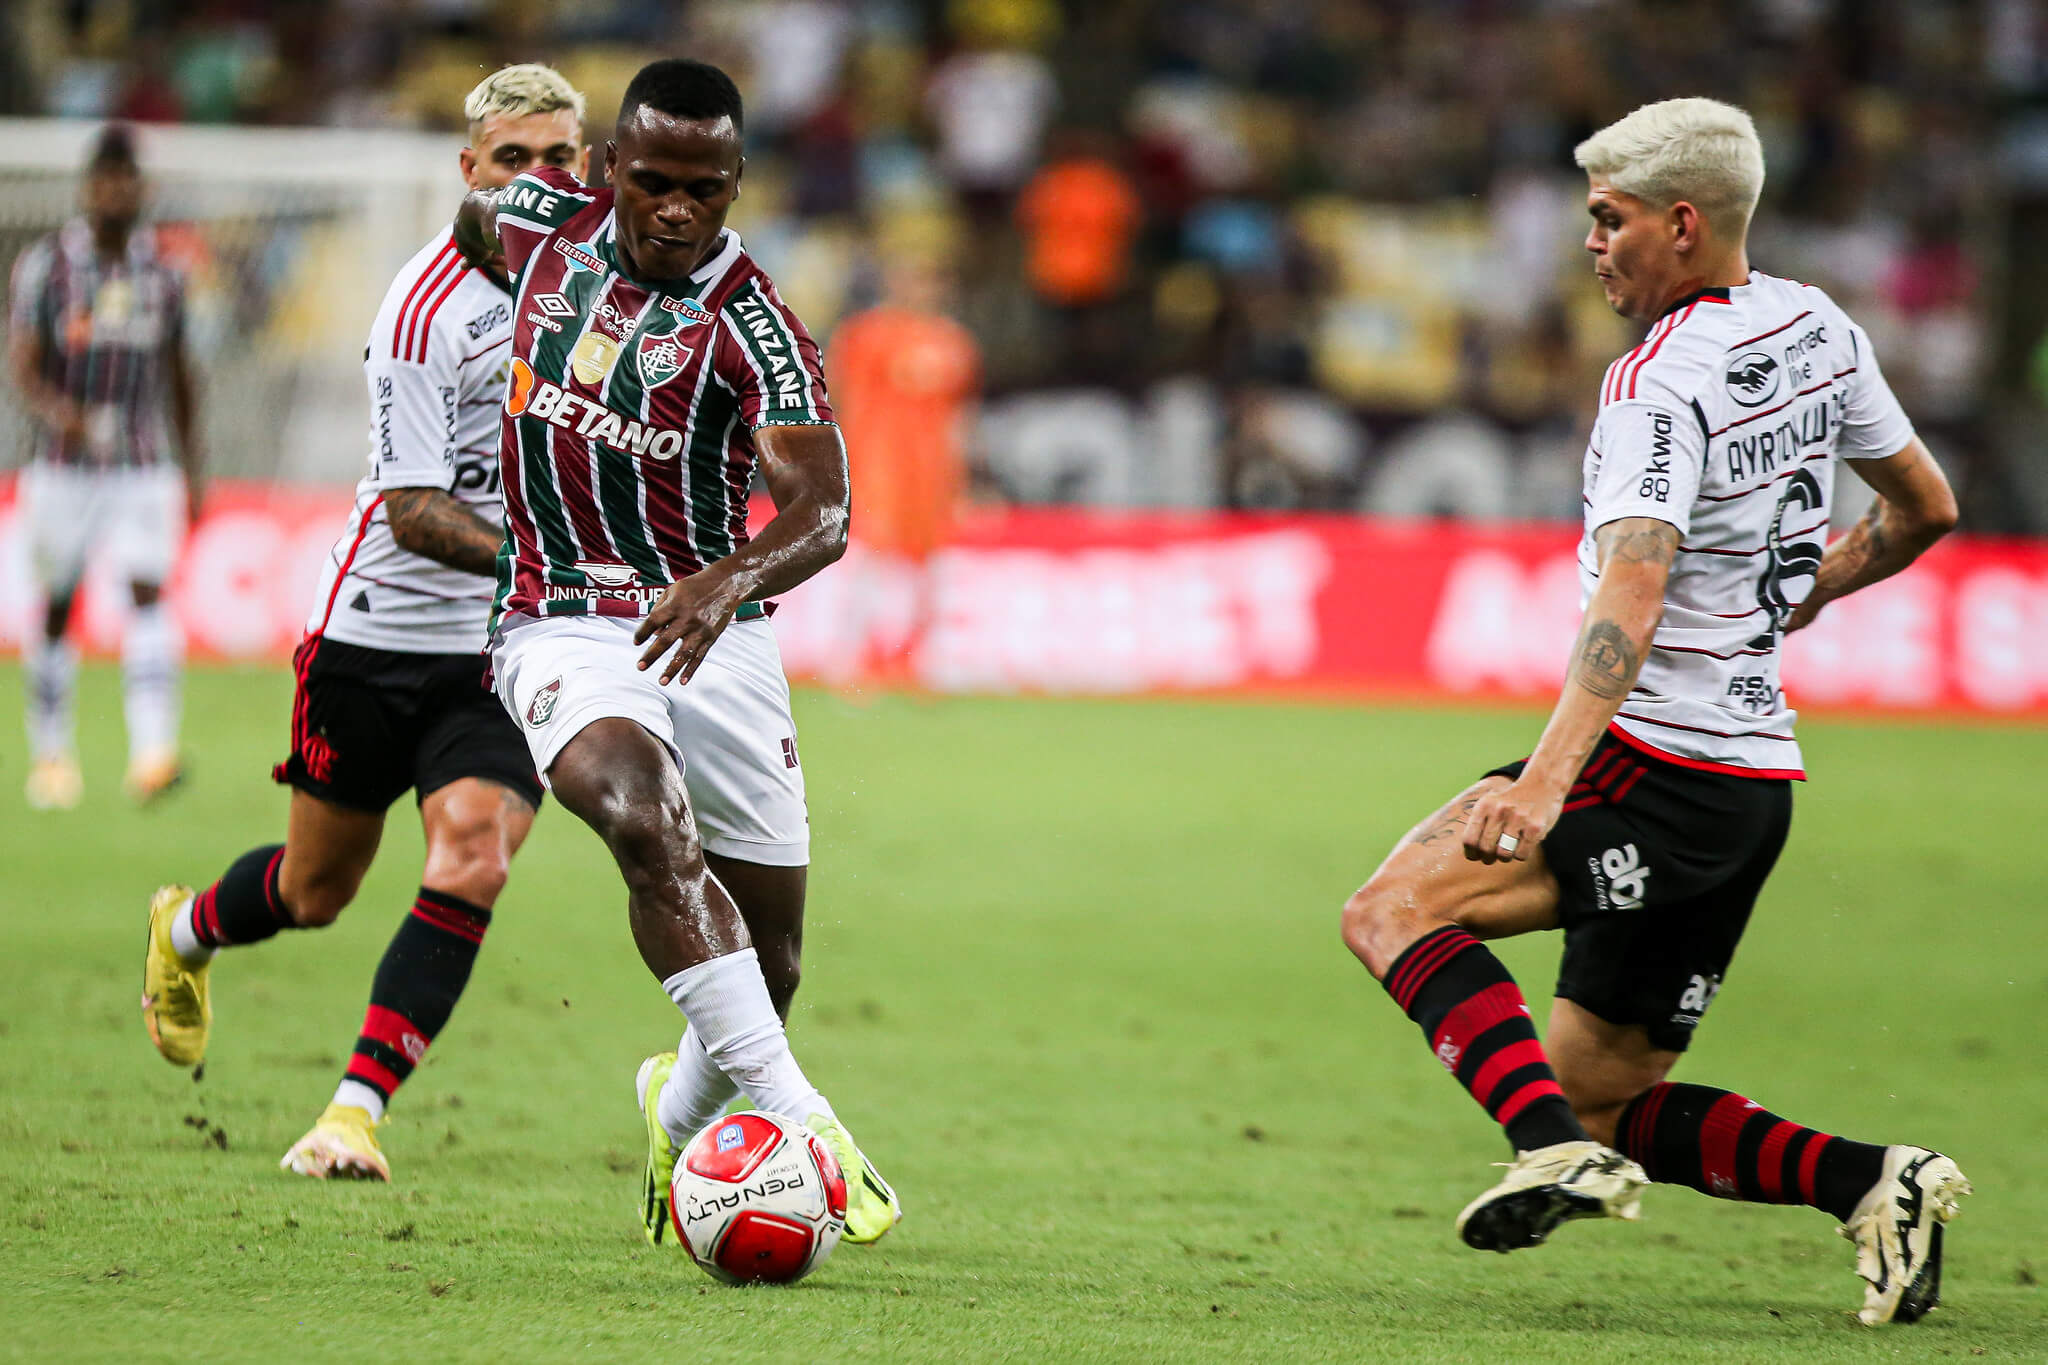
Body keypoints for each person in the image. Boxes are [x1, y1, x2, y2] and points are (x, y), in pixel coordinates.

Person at [1337, 98, 1968, 1327]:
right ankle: (1876, 1184)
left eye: (1606, 219)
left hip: (1650, 762)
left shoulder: (1651, 385)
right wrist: (1801, 593)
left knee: (1391, 911)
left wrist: (1541, 783)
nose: (1590, 243)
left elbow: (1633, 585)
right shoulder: (1817, 328)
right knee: (1604, 1088)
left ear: (1680, 225)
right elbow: (1922, 509)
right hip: (1751, 788)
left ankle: (1546, 1155)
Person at [450, 57, 900, 1245]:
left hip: (712, 631)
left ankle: (680, 1099)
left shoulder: (757, 326)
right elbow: (475, 216)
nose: (674, 210)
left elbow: (824, 511)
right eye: (651, 180)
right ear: (605, 167)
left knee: (774, 958)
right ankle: (804, 1123)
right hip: (557, 617)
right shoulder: (538, 226)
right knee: (641, 819)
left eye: (704, 189)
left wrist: (725, 578)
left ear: (736, 183)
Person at [139, 65, 587, 1180]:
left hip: (502, 648)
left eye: (561, 158)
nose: (541, 179)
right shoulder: (425, 307)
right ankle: (184, 930)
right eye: (514, 159)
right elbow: (414, 511)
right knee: (314, 891)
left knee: (474, 854)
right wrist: (554, 560)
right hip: (378, 633)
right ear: (469, 170)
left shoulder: (604, 284)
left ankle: (353, 1113)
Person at [8, 123, 202, 808]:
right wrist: (55, 409)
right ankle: (51, 753)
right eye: (105, 179)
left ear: (140, 189)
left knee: (149, 592)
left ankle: (152, 751)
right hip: (62, 466)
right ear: (88, 188)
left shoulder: (164, 272)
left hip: (142, 463)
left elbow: (182, 371)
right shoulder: (46, 266)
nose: (116, 191)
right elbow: (22, 360)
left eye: (127, 179)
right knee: (59, 604)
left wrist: (195, 465)